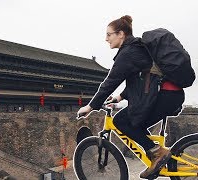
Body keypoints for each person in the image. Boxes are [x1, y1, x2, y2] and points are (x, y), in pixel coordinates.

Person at [77, 15, 184, 179]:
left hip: (165, 95)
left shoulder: (128, 52)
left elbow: (110, 81)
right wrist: (119, 97)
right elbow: (142, 79)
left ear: (121, 34)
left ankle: (157, 154)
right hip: (168, 94)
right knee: (135, 123)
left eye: (109, 34)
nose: (106, 39)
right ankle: (158, 158)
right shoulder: (136, 48)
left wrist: (90, 106)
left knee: (121, 121)